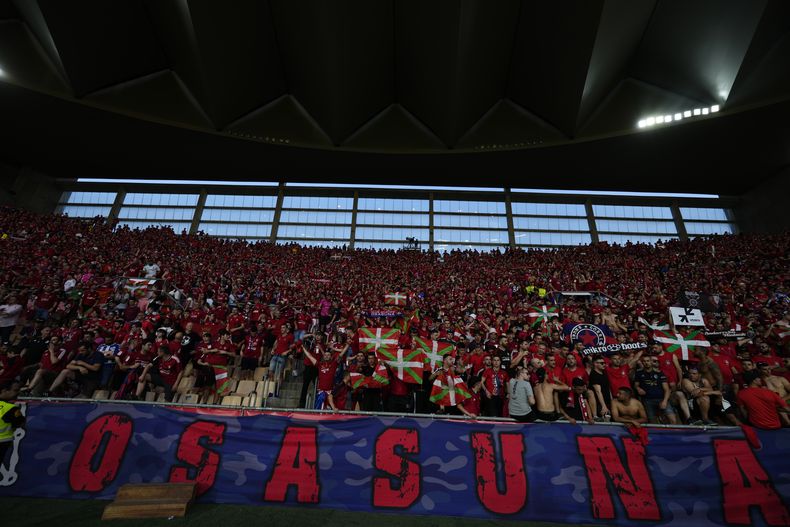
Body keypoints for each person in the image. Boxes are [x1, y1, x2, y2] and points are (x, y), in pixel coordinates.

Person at [634, 356, 678, 424]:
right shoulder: (639, 373)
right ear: (642, 363)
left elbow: (666, 389)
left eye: (648, 361)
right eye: (644, 361)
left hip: (661, 399)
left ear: (651, 362)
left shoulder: (659, 373)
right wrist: (638, 388)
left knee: (673, 419)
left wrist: (665, 401)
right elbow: (636, 385)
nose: (646, 363)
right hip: (647, 400)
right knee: (653, 423)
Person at [0, 387, 25, 466]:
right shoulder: (9, 408)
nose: (17, 393)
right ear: (4, 391)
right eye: (14, 390)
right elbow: (20, 423)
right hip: (3, 440)